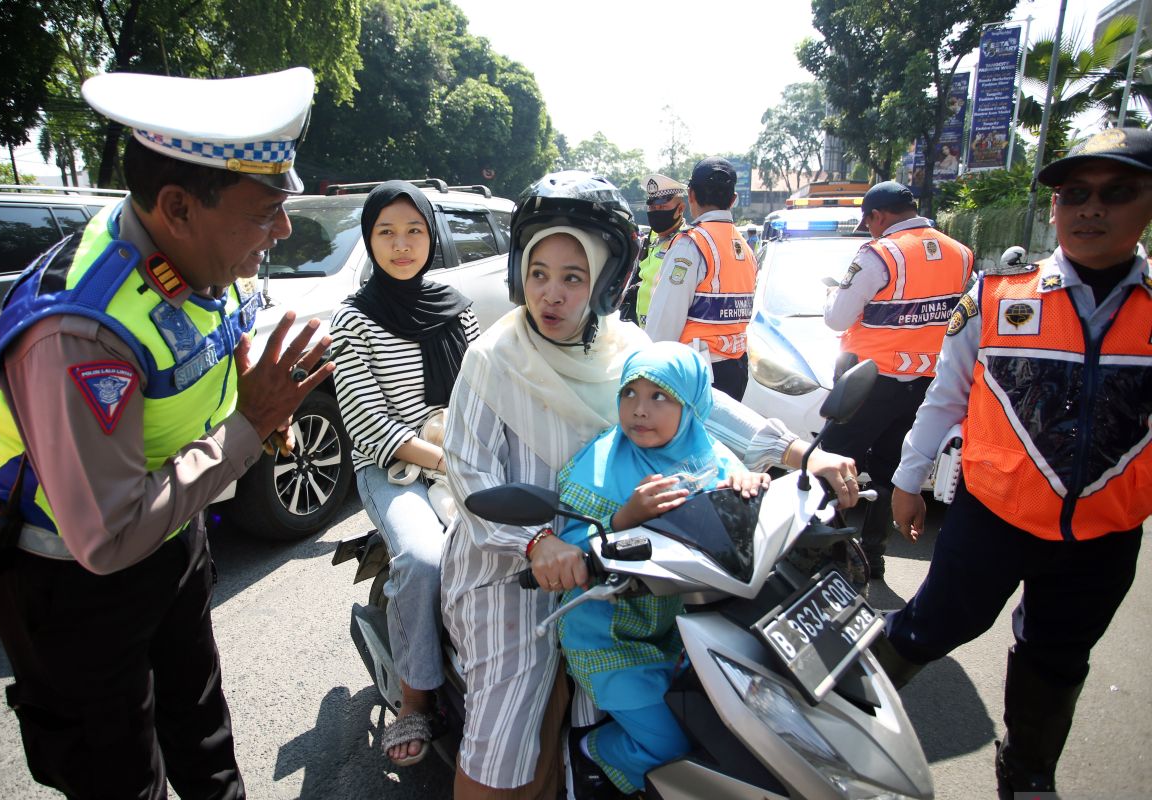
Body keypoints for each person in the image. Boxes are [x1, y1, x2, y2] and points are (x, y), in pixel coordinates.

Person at [0, 68, 329, 799]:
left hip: (174, 532)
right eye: (266, 212)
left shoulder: (203, 253)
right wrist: (248, 428)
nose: (284, 231)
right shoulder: (80, 328)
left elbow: (209, 349)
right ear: (176, 206)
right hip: (74, 579)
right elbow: (108, 536)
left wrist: (259, 417)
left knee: (203, 738)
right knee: (120, 777)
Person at [439, 170, 860, 800]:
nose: (551, 293)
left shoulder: (626, 347)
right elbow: (469, 470)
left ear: (605, 280)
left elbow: (702, 405)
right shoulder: (492, 358)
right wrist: (535, 544)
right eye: (539, 273)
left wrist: (802, 453)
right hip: (514, 567)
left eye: (573, 276)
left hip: (624, 562)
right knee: (509, 713)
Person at [875, 127, 1152, 798]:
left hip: (1105, 535)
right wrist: (907, 481)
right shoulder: (998, 294)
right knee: (929, 627)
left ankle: (1027, 774)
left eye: (1115, 194)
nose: (1090, 209)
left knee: (1057, 659)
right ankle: (835, 714)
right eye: (1073, 194)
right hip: (994, 518)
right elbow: (945, 398)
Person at [556, 341, 771, 795]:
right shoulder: (593, 467)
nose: (639, 410)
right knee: (671, 743)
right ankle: (593, 751)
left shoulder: (710, 456)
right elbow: (567, 555)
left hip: (687, 635)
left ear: (691, 404)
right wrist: (623, 519)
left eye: (660, 396)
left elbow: (740, 509)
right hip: (608, 636)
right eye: (629, 393)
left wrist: (747, 488)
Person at [329, 180, 478, 766]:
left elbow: (478, 389)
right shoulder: (353, 319)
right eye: (386, 232)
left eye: (414, 230)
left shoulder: (453, 306)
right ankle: (415, 699)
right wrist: (449, 462)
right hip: (395, 471)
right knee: (423, 558)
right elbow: (367, 426)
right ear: (369, 239)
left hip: (458, 456)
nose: (402, 244)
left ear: (431, 236)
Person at [821, 180, 973, 579]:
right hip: (924, 382)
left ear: (877, 216)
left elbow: (837, 317)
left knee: (830, 461)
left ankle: (827, 553)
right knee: (890, 467)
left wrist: (831, 295)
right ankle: (873, 554)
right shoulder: (960, 253)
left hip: (870, 381)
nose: (869, 229)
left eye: (867, 222)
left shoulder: (878, 255)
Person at [644, 157, 758, 401]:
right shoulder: (745, 248)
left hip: (698, 373)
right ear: (733, 199)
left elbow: (663, 321)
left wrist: (647, 375)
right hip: (736, 368)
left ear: (691, 195)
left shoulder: (692, 244)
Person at [633, 173, 690, 327]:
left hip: (667, 334)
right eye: (652, 207)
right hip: (643, 331)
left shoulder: (686, 243)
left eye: (663, 207)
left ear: (680, 209)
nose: (656, 212)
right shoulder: (650, 239)